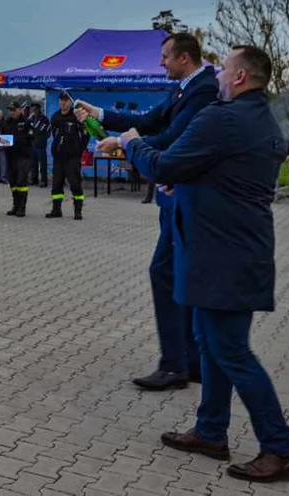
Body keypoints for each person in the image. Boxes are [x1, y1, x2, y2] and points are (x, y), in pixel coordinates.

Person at [119, 45, 289, 484]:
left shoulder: (224, 118)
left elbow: (164, 163)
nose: (218, 74)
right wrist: (182, 182)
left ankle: (280, 448)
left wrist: (131, 144)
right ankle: (210, 431)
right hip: (231, 251)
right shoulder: (264, 119)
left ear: (239, 78)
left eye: (224, 68)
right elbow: (221, 174)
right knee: (211, 343)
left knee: (232, 352)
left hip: (222, 256)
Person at [76, 32, 219, 391]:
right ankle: (192, 360)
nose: (160, 63)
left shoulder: (202, 90)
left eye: (166, 57)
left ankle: (175, 365)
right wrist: (102, 115)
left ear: (184, 57)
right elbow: (153, 119)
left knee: (165, 273)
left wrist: (127, 144)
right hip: (177, 196)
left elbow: (174, 139)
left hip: (183, 194)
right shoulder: (186, 87)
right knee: (177, 275)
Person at [46, 93, 86, 220]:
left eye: (66, 100)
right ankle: (56, 209)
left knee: (75, 184)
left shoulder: (76, 116)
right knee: (56, 183)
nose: (63, 103)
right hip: (58, 157)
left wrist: (79, 149)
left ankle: (78, 210)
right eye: (61, 100)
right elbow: (54, 134)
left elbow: (86, 134)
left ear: (70, 102)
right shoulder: (55, 117)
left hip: (72, 157)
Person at [3, 101, 34, 217]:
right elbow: (2, 137)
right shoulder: (6, 122)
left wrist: (14, 140)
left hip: (23, 156)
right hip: (10, 156)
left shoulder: (26, 122)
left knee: (21, 182)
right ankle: (15, 205)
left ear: (19, 110)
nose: (11, 112)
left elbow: (31, 139)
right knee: (13, 182)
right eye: (10, 110)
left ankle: (22, 207)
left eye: (13, 109)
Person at [27, 103, 50, 187]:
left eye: (35, 109)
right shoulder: (31, 118)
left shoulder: (44, 119)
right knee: (33, 163)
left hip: (41, 145)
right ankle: (34, 179)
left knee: (43, 164)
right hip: (33, 144)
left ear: (39, 109)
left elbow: (46, 131)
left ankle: (44, 181)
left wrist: (42, 139)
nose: (34, 111)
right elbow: (28, 129)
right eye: (32, 110)